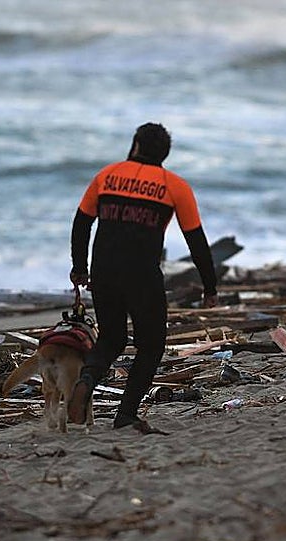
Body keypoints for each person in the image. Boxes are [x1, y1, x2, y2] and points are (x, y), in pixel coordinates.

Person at [66, 122, 219, 432]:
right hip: (142, 276)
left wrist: (79, 268)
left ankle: (86, 380)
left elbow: (81, 223)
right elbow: (196, 241)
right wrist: (209, 286)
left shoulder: (106, 176)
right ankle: (126, 415)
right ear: (164, 153)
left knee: (111, 338)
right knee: (151, 346)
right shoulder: (175, 186)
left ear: (135, 145)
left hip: (104, 271)